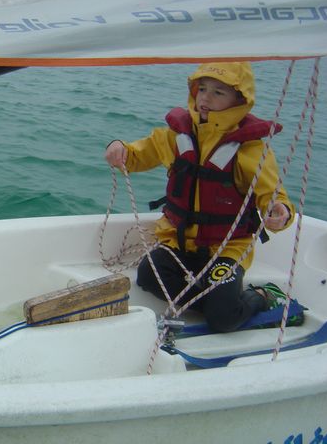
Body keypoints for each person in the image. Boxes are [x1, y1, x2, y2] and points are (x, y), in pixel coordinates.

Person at [105, 62, 298, 332]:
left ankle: (263, 296)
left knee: (223, 320)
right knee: (148, 274)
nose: (206, 98)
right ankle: (212, 301)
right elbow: (139, 155)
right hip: (179, 242)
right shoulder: (176, 136)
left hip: (227, 249)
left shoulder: (250, 150)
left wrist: (280, 212)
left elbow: (272, 195)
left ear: (239, 100)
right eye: (202, 89)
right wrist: (119, 149)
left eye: (218, 92)